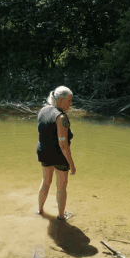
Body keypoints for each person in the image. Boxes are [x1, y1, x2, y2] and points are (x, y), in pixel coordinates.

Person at [36, 86, 76, 220]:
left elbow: (45, 131)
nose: (71, 103)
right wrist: (72, 164)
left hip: (44, 152)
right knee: (61, 187)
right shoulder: (61, 117)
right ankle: (60, 216)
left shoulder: (42, 110)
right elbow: (63, 144)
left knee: (45, 181)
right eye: (69, 100)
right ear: (59, 101)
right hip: (59, 156)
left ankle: (40, 210)